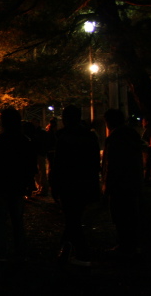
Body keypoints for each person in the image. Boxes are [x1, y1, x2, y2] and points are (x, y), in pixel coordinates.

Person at [51, 105, 100, 266]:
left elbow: (58, 165)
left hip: (68, 183)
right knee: (74, 217)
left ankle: (81, 253)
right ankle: (66, 249)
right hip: (85, 182)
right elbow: (94, 163)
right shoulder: (90, 137)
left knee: (72, 219)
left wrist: (55, 185)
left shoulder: (63, 137)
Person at [0, 108, 37, 261]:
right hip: (17, 185)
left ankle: (0, 251)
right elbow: (31, 165)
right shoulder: (25, 141)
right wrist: (29, 184)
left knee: (0, 220)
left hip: (1, 185)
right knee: (17, 220)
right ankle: (20, 250)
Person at [102, 109, 144, 258]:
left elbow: (112, 165)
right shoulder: (132, 134)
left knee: (121, 216)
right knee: (132, 215)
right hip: (133, 182)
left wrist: (106, 186)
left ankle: (125, 246)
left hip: (119, 185)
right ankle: (133, 245)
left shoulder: (115, 138)